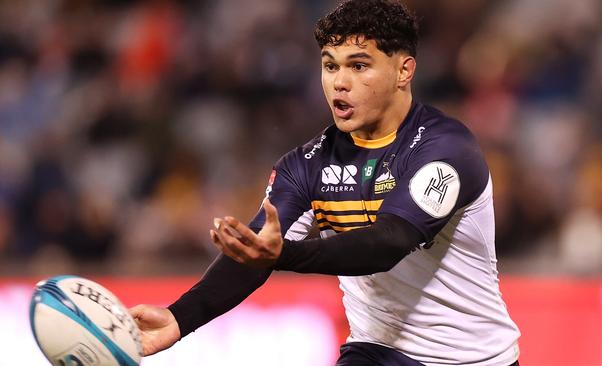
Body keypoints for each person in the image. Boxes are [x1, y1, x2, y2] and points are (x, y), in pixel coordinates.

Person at [129, 0, 521, 365]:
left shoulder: (446, 148)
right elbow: (252, 254)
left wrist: (283, 255)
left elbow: (387, 244)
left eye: (359, 65)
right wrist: (179, 318)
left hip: (476, 359)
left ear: (404, 71)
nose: (339, 82)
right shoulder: (305, 165)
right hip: (377, 350)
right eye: (330, 66)